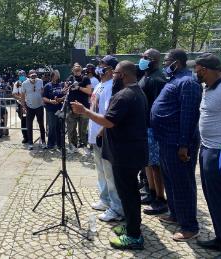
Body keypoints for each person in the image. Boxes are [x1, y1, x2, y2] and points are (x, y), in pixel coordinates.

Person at [71, 61, 148, 250]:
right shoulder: (137, 91)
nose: (112, 76)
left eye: (115, 73)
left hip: (125, 154)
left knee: (128, 194)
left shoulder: (124, 96)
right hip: (132, 151)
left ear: (122, 75)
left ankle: (134, 236)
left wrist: (84, 111)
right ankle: (132, 226)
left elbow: (108, 121)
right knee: (129, 193)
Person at [151, 49, 202, 242]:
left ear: (177, 63)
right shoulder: (174, 79)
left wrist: (183, 145)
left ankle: (190, 226)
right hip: (166, 141)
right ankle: (175, 214)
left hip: (178, 144)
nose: (165, 64)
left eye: (167, 61)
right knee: (171, 181)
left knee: (182, 184)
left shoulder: (188, 83)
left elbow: (188, 116)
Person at [194, 53, 221, 258]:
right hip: (206, 148)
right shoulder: (206, 87)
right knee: (211, 197)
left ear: (206, 69)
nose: (195, 72)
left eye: (198, 68)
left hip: (219, 151)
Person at [87, 56, 124, 222]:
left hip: (104, 135)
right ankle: (105, 199)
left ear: (110, 69)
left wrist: (101, 131)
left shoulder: (112, 86)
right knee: (101, 171)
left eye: (102, 65)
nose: (99, 67)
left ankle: (117, 208)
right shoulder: (100, 85)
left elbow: (109, 113)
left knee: (110, 174)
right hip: (95, 135)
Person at [137, 48, 168, 215]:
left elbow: (158, 107)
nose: (142, 59)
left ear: (154, 60)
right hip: (144, 126)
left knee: (155, 165)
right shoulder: (146, 75)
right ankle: (151, 192)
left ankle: (160, 199)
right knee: (147, 163)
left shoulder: (158, 79)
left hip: (152, 128)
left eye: (145, 57)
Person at [66, 63, 92, 153]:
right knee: (71, 129)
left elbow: (89, 91)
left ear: (81, 70)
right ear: (73, 70)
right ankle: (73, 146)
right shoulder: (70, 78)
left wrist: (79, 87)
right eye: (75, 70)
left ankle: (84, 146)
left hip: (83, 108)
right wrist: (68, 86)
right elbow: (65, 89)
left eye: (79, 70)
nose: (77, 71)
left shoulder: (85, 78)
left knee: (83, 129)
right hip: (72, 107)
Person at [21, 70, 46, 150]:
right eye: (32, 76)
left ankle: (43, 141)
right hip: (29, 106)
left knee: (41, 124)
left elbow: (42, 92)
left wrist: (43, 100)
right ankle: (30, 143)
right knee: (29, 125)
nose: (33, 77)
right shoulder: (24, 83)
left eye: (35, 75)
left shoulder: (40, 81)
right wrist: (23, 106)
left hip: (39, 106)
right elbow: (22, 96)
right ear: (29, 75)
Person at [43, 70, 65, 149]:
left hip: (59, 109)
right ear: (52, 75)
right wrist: (50, 101)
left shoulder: (61, 85)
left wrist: (61, 99)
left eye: (58, 74)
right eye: (56, 74)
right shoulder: (47, 86)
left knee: (59, 126)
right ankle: (51, 143)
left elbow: (64, 96)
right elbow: (43, 97)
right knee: (52, 126)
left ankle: (59, 143)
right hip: (51, 109)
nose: (58, 75)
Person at [12, 70, 28, 144]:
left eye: (22, 74)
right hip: (21, 104)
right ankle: (25, 136)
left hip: (29, 104)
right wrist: (21, 99)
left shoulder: (29, 81)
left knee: (29, 120)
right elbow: (14, 94)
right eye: (20, 75)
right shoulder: (17, 83)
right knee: (23, 120)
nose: (21, 76)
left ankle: (29, 136)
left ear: (25, 75)